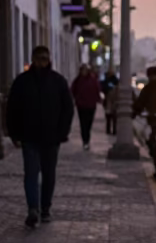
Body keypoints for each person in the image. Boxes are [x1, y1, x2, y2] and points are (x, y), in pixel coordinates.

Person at [6, 45, 74, 228]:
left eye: (44, 58)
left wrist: (62, 132)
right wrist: (14, 133)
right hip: (29, 137)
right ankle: (33, 209)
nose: (41, 62)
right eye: (38, 58)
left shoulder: (58, 81)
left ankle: (45, 208)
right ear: (33, 59)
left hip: (51, 138)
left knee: (49, 175)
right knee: (30, 174)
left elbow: (68, 108)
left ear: (49, 60)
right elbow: (12, 109)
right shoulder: (22, 82)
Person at [71, 64, 103, 150]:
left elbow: (97, 90)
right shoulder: (78, 80)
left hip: (91, 105)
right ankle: (85, 141)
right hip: (81, 105)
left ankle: (86, 139)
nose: (83, 72)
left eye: (85, 70)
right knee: (83, 124)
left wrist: (99, 99)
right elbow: (72, 90)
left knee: (88, 123)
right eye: (82, 70)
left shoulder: (93, 80)